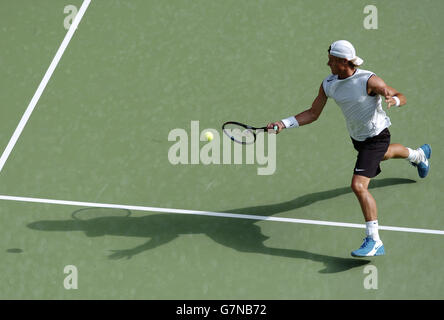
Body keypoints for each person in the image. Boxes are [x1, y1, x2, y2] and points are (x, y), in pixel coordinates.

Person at [267, 40, 431, 257]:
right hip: (359, 138)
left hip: (377, 136)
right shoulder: (329, 83)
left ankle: (374, 240)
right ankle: (418, 155)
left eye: (332, 60)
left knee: (358, 185)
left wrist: (394, 100)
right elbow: (313, 113)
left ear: (344, 61)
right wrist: (283, 123)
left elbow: (399, 95)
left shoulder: (368, 80)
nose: (328, 64)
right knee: (386, 154)